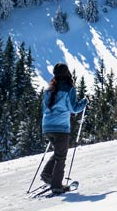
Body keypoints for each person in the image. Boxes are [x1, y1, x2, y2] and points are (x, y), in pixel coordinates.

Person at [39, 63, 88, 195]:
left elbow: (44, 108)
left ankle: (47, 175)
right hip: (61, 128)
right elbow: (74, 108)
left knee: (58, 152)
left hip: (47, 126)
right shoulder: (69, 89)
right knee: (61, 156)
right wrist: (84, 102)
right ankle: (56, 186)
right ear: (67, 74)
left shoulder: (48, 89)